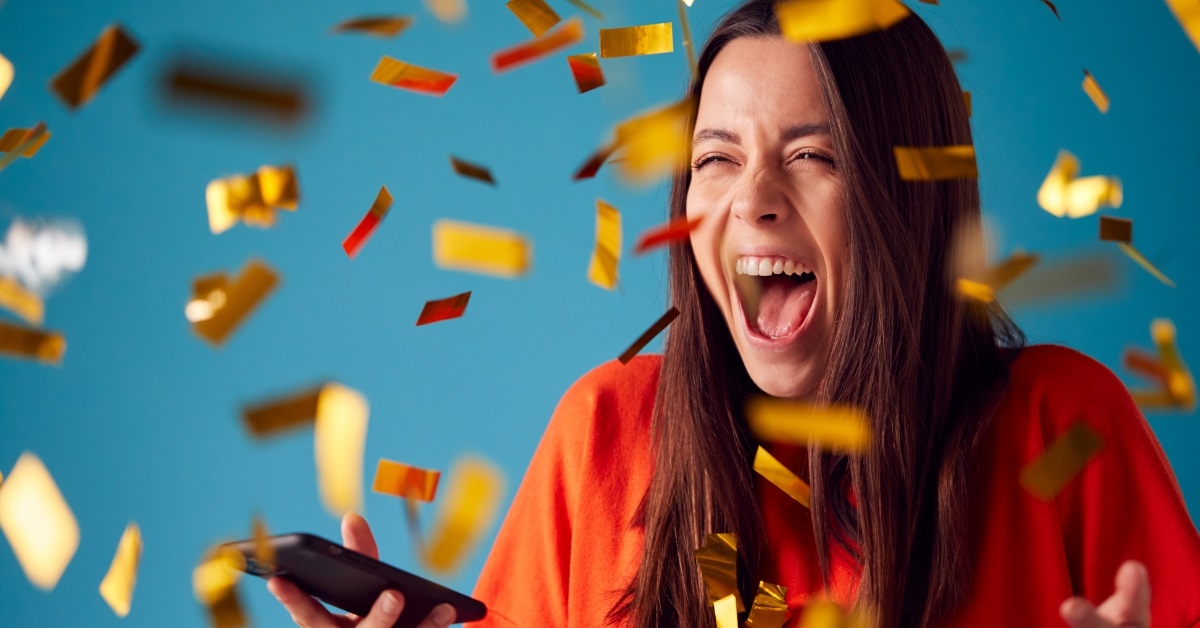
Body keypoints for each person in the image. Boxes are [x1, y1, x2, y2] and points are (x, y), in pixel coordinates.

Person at [268, 1, 1200, 626]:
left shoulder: (1060, 428)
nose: (751, 201)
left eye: (812, 156)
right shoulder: (607, 432)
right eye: (716, 159)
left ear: (905, 197)